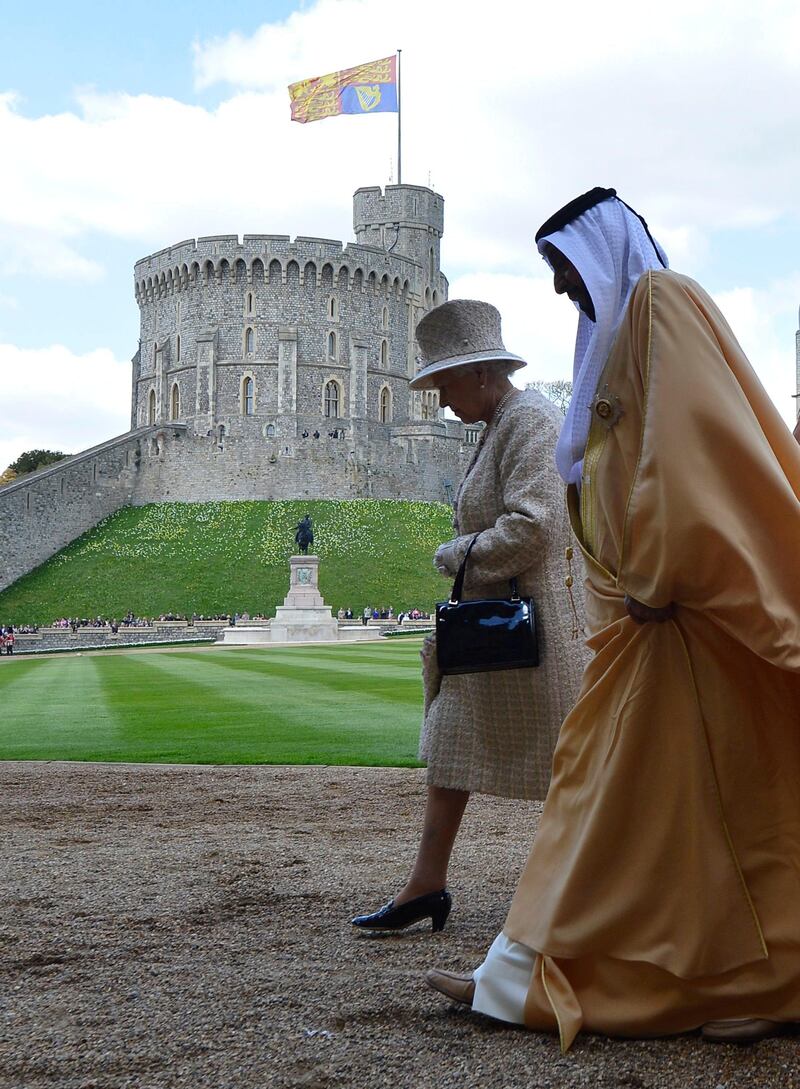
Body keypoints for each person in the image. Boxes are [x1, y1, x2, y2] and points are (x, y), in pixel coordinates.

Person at [425, 189, 800, 1047]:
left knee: (649, 800)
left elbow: (687, 450)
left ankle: (526, 973)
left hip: (682, 614)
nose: (560, 291)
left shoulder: (664, 306)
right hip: (652, 616)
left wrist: (660, 573)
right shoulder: (629, 333)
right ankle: (519, 972)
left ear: (599, 253)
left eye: (564, 268)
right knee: (667, 806)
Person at [352, 299, 589, 935]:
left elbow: (534, 528)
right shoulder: (500, 424)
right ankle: (425, 886)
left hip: (530, 631)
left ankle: (574, 896)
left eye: (446, 384)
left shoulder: (531, 422)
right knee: (449, 748)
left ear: (482, 373)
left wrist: (453, 554)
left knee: (566, 768)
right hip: (490, 630)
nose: (440, 400)